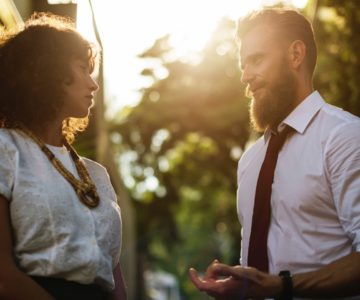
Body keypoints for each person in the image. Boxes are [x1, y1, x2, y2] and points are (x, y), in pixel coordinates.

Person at [189, 7, 360, 300]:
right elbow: (255, 272)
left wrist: (284, 287)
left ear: (295, 55)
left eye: (256, 60)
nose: (245, 76)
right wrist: (238, 286)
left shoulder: (344, 137)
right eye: (243, 64)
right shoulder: (250, 161)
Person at [0, 12, 127, 300]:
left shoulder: (97, 174)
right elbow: (3, 278)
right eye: (82, 68)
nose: (92, 84)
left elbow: (112, 273)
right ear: (47, 72)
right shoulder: (5, 150)